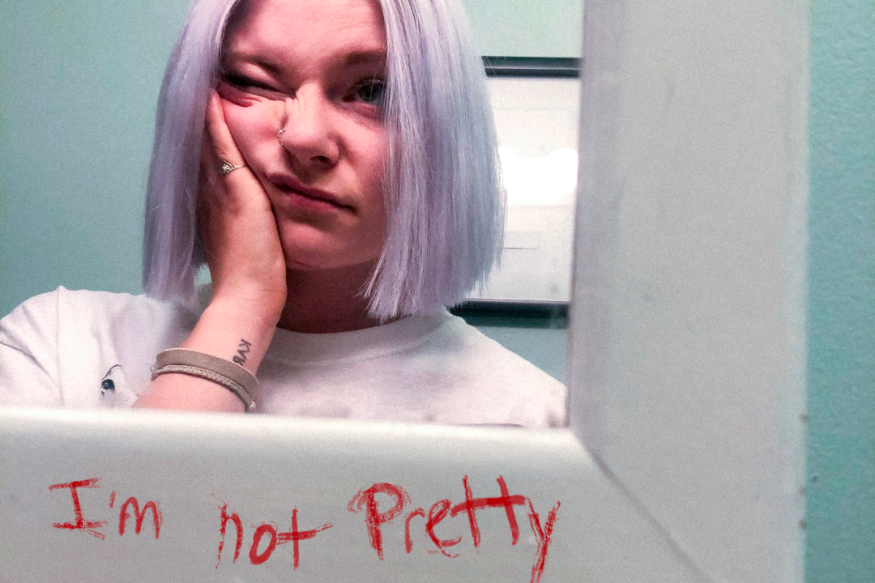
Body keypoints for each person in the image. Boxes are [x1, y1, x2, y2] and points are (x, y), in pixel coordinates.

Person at [0, 0, 565, 427]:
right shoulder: (57, 348)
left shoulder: (538, 422)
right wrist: (242, 307)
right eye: (252, 82)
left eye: (373, 91)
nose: (304, 136)